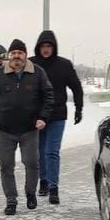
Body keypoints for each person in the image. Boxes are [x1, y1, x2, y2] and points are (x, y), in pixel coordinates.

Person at [0, 39, 52, 215]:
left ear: (25, 55)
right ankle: (11, 200)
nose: (16, 56)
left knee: (31, 163)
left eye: (20, 53)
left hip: (29, 129)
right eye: (13, 53)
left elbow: (48, 95)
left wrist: (43, 117)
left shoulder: (37, 73)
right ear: (9, 56)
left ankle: (30, 193)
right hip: (5, 130)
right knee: (6, 166)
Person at [30, 30, 84, 205]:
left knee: (51, 151)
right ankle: (43, 181)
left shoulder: (64, 65)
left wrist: (79, 107)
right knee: (40, 151)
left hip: (58, 113)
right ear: (38, 47)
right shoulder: (31, 64)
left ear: (54, 48)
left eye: (49, 46)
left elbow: (76, 86)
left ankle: (54, 187)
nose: (46, 50)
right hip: (37, 116)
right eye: (43, 46)